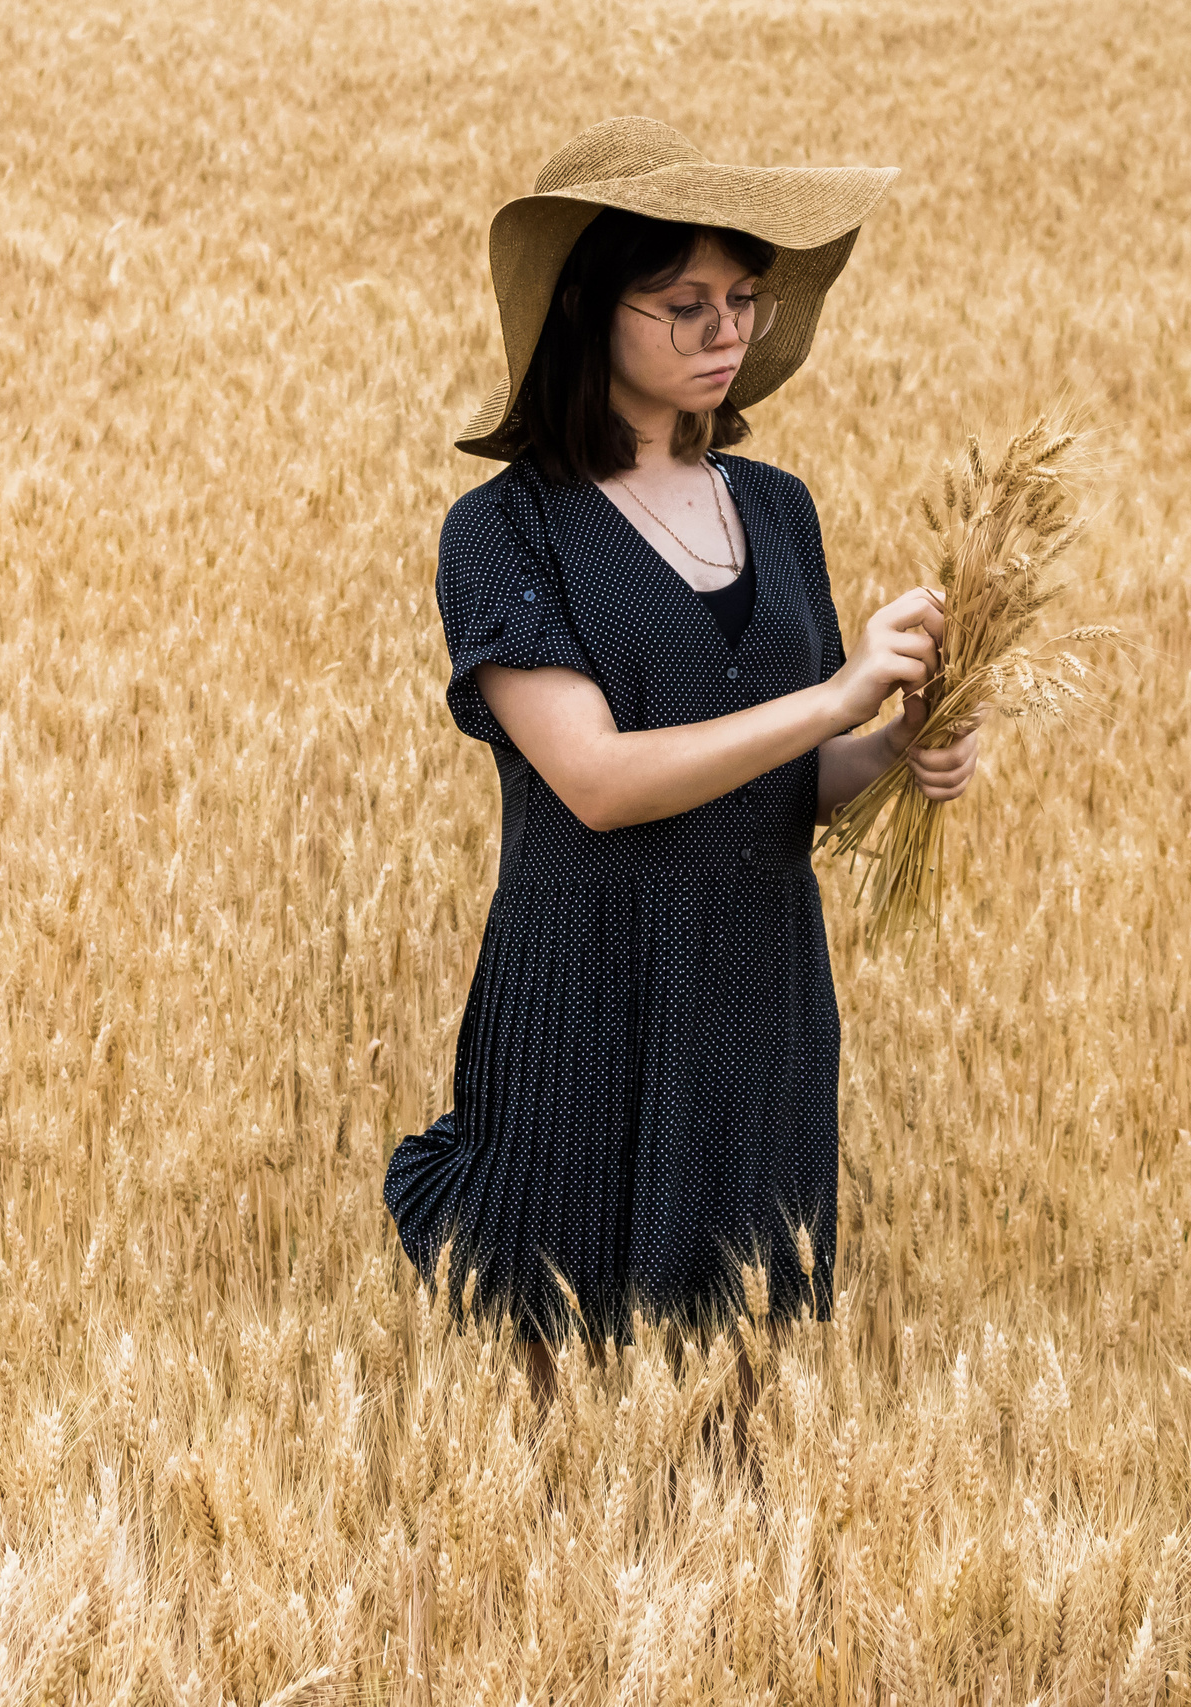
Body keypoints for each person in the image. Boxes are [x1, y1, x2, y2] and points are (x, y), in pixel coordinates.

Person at [383, 118, 981, 1457]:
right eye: (687, 305)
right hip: (584, 991)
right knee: (548, 1371)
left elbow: (795, 777)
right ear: (595, 314)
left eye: (744, 302)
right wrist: (835, 698)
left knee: (737, 1393)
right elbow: (593, 780)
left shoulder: (776, 507)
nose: (728, 332)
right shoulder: (504, 531)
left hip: (756, 992)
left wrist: (894, 750)